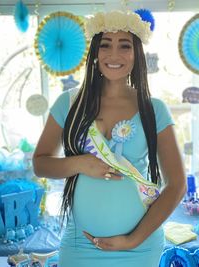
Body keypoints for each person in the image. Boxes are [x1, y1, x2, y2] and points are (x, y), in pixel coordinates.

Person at [33, 9, 186, 267]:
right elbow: (40, 163)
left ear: (137, 54)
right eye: (105, 45)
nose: (114, 54)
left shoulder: (154, 108)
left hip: (139, 247)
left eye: (124, 45)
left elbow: (177, 185)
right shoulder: (69, 103)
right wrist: (80, 163)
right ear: (95, 53)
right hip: (80, 244)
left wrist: (133, 240)